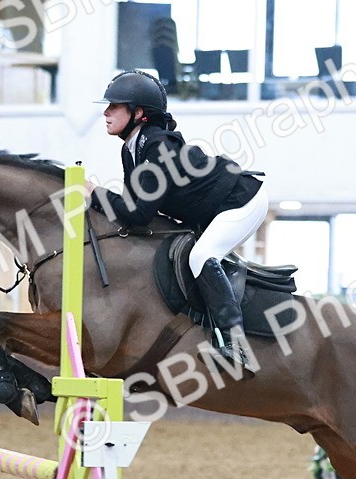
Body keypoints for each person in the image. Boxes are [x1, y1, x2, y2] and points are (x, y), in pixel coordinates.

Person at [88, 70, 267, 366]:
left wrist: (95, 194)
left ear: (139, 113)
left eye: (114, 106)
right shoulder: (131, 150)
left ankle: (235, 343)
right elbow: (136, 209)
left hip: (242, 200)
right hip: (214, 208)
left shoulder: (159, 147)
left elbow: (138, 213)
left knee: (201, 256)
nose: (106, 112)